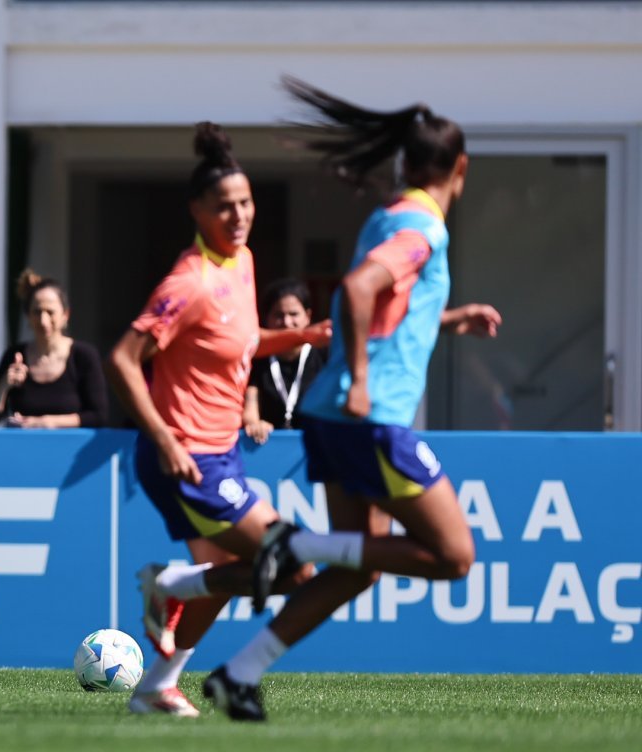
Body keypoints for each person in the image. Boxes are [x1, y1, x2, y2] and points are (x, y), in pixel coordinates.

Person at [203, 78, 502, 722]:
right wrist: (363, 379)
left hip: (328, 415)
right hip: (370, 416)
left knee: (359, 564)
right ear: (461, 167)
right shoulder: (425, 228)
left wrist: (450, 319)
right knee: (455, 557)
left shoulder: (387, 215)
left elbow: (387, 307)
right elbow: (360, 289)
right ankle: (298, 546)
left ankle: (239, 672)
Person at [106, 123, 330, 718]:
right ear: (197, 211)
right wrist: (164, 439)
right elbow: (123, 359)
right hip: (187, 458)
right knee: (294, 567)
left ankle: (156, 686)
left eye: (246, 202)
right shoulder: (189, 282)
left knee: (232, 572)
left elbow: (241, 341)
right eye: (224, 206)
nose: (238, 215)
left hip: (219, 452)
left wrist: (302, 335)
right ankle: (170, 586)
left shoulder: (243, 261)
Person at [0, 270, 109, 429]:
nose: (43, 320)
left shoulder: (84, 356)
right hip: (26, 444)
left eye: (50, 312)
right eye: (37, 312)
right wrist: (4, 385)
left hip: (70, 444)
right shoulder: (14, 356)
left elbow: (98, 416)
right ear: (28, 316)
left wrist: (47, 422)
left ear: (65, 315)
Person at [243, 278, 327, 443]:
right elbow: (250, 409)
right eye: (278, 315)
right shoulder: (257, 359)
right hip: (269, 448)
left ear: (308, 316)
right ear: (266, 319)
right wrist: (255, 424)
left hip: (316, 448)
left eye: (293, 314)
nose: (287, 322)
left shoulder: (324, 356)